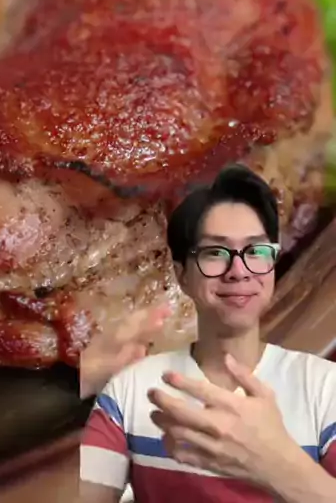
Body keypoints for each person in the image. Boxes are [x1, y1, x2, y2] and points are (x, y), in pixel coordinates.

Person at [79, 164, 336, 502]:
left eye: (257, 252)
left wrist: (279, 466)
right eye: (215, 253)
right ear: (182, 274)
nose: (239, 271)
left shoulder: (322, 386)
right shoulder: (129, 389)